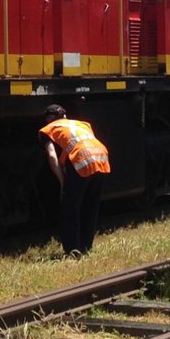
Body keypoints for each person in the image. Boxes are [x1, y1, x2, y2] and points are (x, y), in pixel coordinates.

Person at [39, 104, 110, 257]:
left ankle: (73, 250)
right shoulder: (81, 123)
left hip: (81, 161)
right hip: (101, 158)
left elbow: (52, 156)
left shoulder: (48, 130)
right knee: (90, 206)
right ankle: (86, 247)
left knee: (69, 208)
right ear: (64, 115)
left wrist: (62, 181)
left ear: (48, 119)